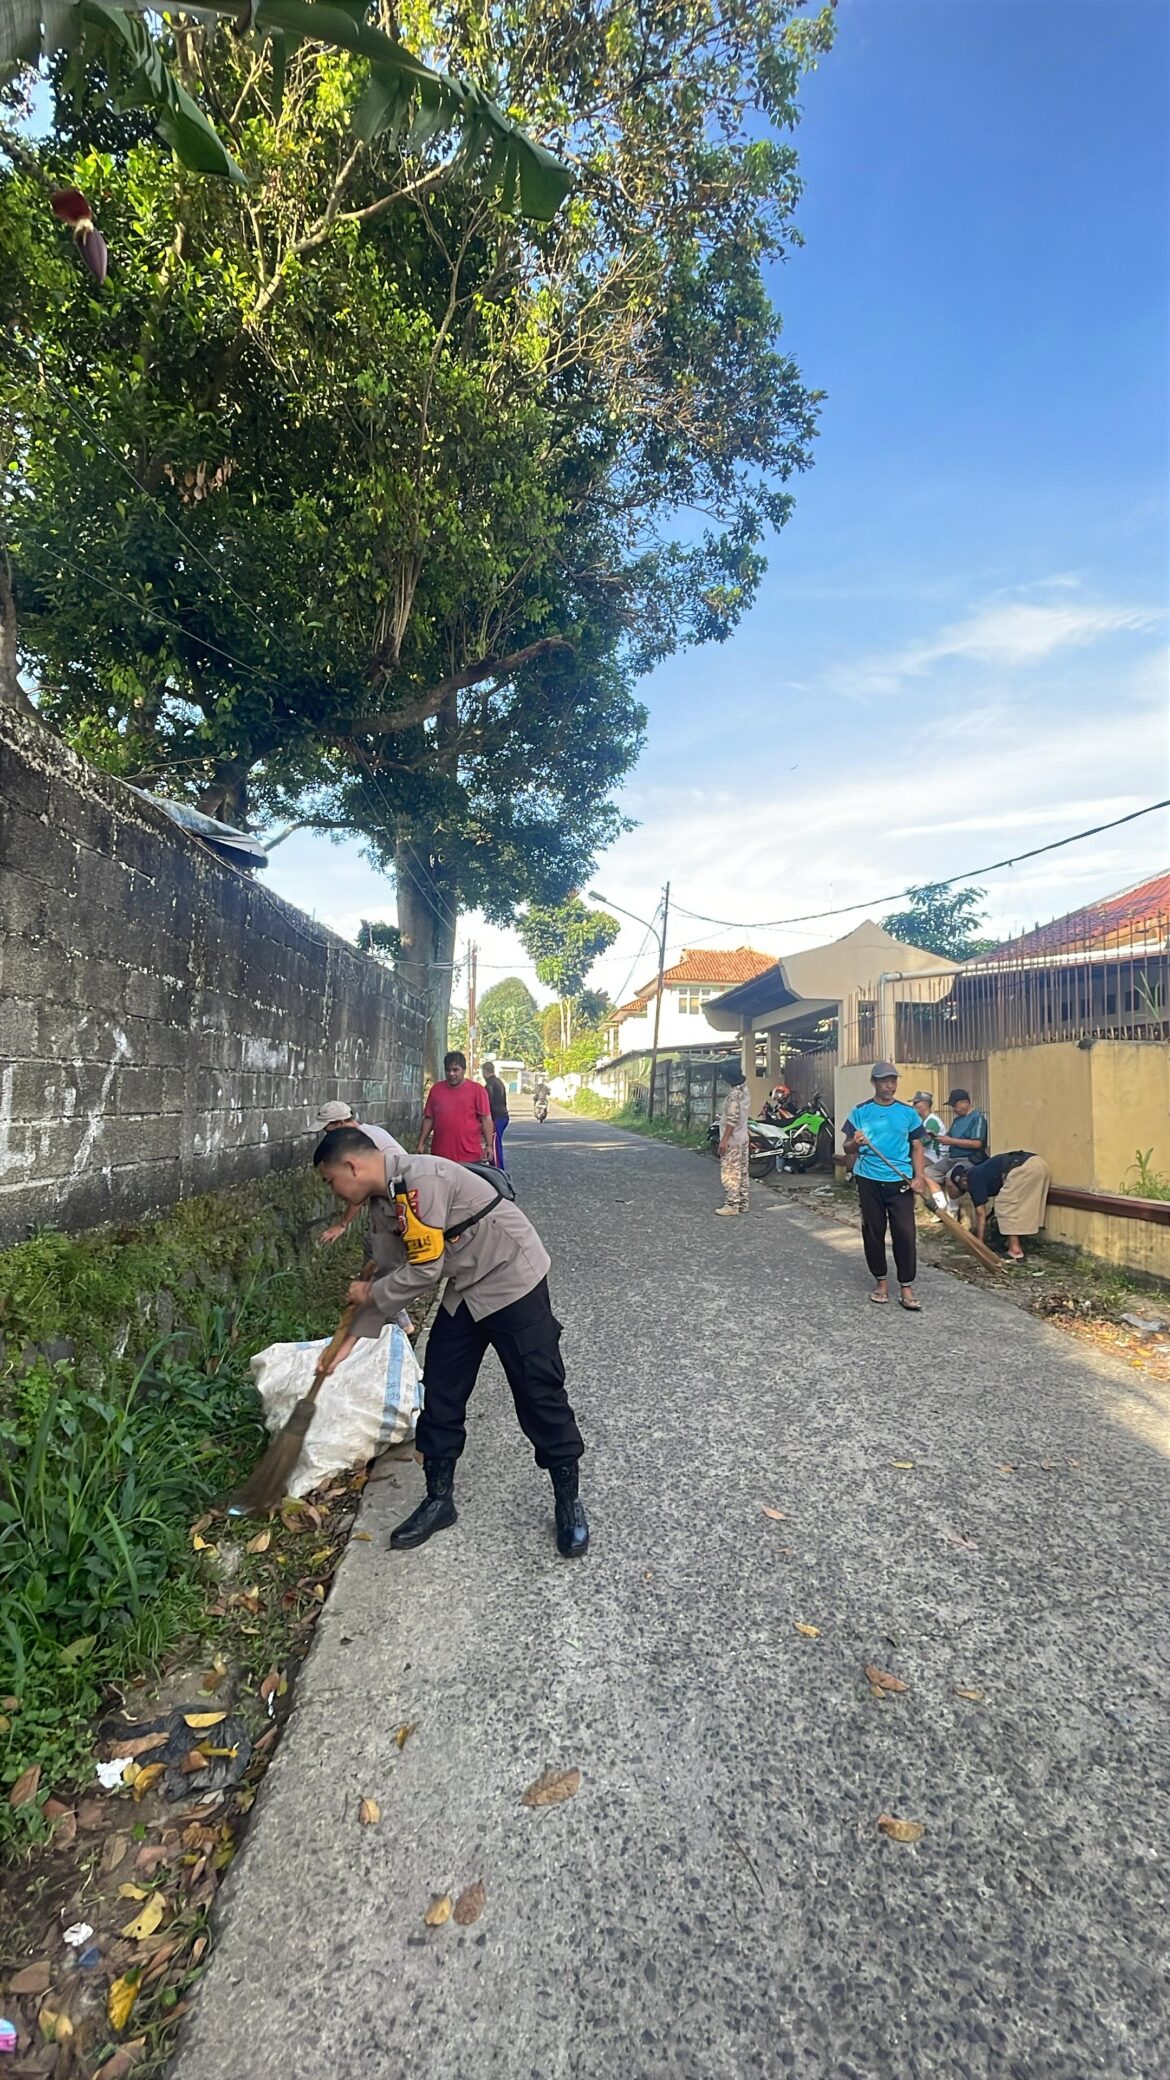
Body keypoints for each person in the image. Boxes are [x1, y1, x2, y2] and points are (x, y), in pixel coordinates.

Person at [313, 1126, 588, 1557]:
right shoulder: (382, 1206)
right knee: (441, 1385)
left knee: (538, 1389)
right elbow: (390, 1278)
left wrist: (367, 1294)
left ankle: (568, 1501)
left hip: (511, 1274)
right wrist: (343, 1345)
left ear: (352, 1165)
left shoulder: (421, 1180)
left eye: (331, 1180)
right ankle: (439, 1501)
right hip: (466, 1284)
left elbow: (422, 1270)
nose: (334, 1191)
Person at [312, 1101, 414, 1333]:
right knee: (375, 1254)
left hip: (399, 1203)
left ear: (339, 1123)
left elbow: (358, 1193)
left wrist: (342, 1224)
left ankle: (399, 1324)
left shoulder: (360, 1144)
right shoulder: (370, 1133)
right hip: (394, 1201)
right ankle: (375, 1311)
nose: (326, 1137)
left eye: (327, 1130)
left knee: (382, 1262)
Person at [842, 1062, 928, 1311]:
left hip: (899, 1180)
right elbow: (846, 1146)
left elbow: (917, 1147)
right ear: (874, 1083)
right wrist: (855, 1143)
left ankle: (906, 1286)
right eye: (883, 1081)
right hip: (868, 1179)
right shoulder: (860, 1111)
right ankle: (881, 1281)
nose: (889, 1085)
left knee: (905, 1233)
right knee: (873, 1231)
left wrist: (919, 1176)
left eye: (893, 1081)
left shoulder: (907, 1113)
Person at [947, 1151, 1052, 1263]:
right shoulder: (982, 1170)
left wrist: (979, 1243)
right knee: (1026, 1202)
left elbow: (980, 1213)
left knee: (1004, 1204)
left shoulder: (972, 1178)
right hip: (1039, 1164)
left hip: (1021, 1168)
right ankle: (1018, 1241)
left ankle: (1015, 1250)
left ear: (963, 1181)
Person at [418, 1051, 494, 1165]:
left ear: (463, 1070)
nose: (451, 1074)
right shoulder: (436, 1090)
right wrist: (421, 1143)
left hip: (470, 1157)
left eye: (455, 1070)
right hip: (440, 1156)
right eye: (448, 1070)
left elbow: (486, 1119)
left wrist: (489, 1145)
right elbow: (429, 1118)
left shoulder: (478, 1091)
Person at [715, 1059, 750, 1216]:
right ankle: (743, 1202)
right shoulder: (744, 1091)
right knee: (742, 1172)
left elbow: (732, 1119)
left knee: (730, 1172)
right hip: (743, 1138)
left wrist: (724, 1140)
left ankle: (732, 1205)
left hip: (733, 1140)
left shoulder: (733, 1096)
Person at [938, 1089, 989, 1168]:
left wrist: (951, 1141)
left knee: (952, 1177)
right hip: (951, 1158)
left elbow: (977, 1144)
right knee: (929, 1172)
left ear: (965, 1102)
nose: (954, 1109)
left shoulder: (977, 1118)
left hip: (969, 1159)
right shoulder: (956, 1120)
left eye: (955, 1106)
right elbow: (948, 1136)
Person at [481, 1060, 510, 1169]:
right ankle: (496, 1167)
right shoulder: (499, 1082)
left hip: (496, 1117)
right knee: (496, 1143)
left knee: (494, 1145)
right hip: (503, 1116)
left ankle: (499, 1169)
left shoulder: (489, 1085)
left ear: (485, 1071)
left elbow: (487, 1104)